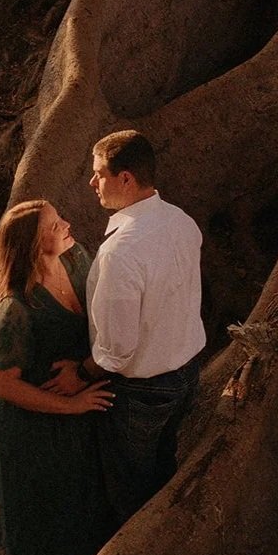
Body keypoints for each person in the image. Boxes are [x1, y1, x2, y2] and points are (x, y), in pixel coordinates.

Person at [44, 131, 205, 523]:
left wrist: (80, 374)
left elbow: (117, 350)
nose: (92, 182)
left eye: (99, 174)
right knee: (164, 468)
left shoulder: (120, 252)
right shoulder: (181, 221)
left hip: (142, 392)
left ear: (126, 178)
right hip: (188, 373)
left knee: (130, 490)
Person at [0, 199, 115, 555]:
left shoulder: (77, 260)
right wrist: (71, 404)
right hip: (32, 434)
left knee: (88, 515)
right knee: (45, 532)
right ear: (32, 244)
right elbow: (4, 386)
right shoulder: (16, 308)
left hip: (78, 420)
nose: (67, 224)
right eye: (55, 224)